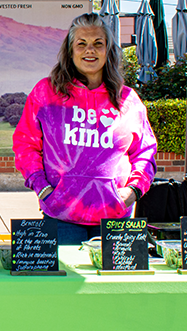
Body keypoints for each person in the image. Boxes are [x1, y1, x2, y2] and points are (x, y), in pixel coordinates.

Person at [12, 13, 158, 245]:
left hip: (116, 218)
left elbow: (145, 151)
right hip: (62, 217)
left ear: (108, 51)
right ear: (70, 51)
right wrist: (42, 189)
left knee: (115, 282)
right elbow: (25, 145)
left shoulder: (128, 100)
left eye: (98, 44)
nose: (90, 50)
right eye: (82, 44)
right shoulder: (46, 93)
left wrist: (133, 191)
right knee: (67, 281)